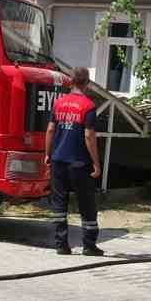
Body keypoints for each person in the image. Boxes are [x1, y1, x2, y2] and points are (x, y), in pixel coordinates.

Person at [44, 66, 103, 256]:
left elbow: (51, 130)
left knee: (59, 202)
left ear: (70, 81)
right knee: (87, 204)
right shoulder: (88, 106)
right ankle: (89, 245)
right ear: (86, 83)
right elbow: (89, 136)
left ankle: (61, 244)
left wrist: (47, 153)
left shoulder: (58, 103)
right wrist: (96, 162)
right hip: (79, 163)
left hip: (58, 160)